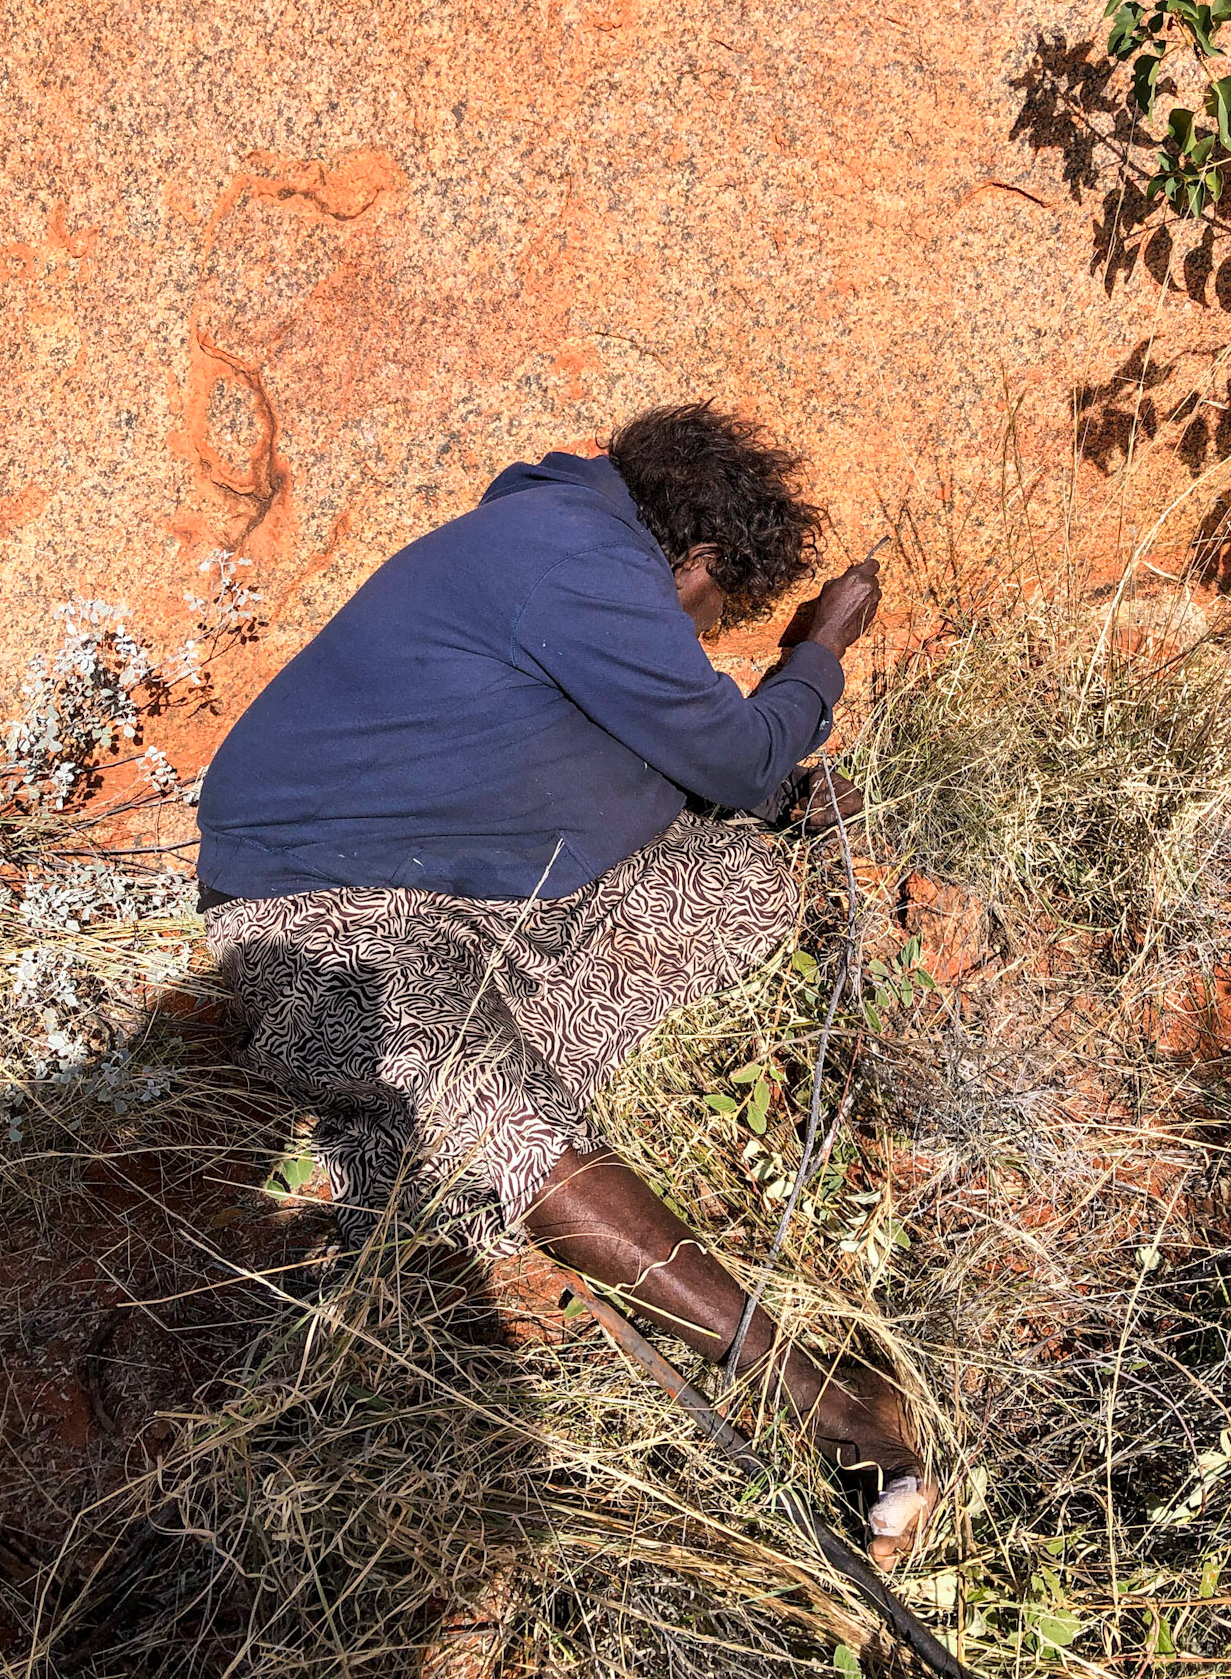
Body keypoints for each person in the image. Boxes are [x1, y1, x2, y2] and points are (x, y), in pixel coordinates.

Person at [195, 402, 936, 1563]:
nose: (695, 643)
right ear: (694, 562)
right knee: (453, 1075)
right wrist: (818, 655)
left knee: (738, 883)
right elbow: (740, 752)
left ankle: (464, 1151)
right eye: (710, 618)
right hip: (322, 907)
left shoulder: (559, 546)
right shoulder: (579, 563)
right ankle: (820, 1395)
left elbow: (666, 770)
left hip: (478, 898)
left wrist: (775, 792)